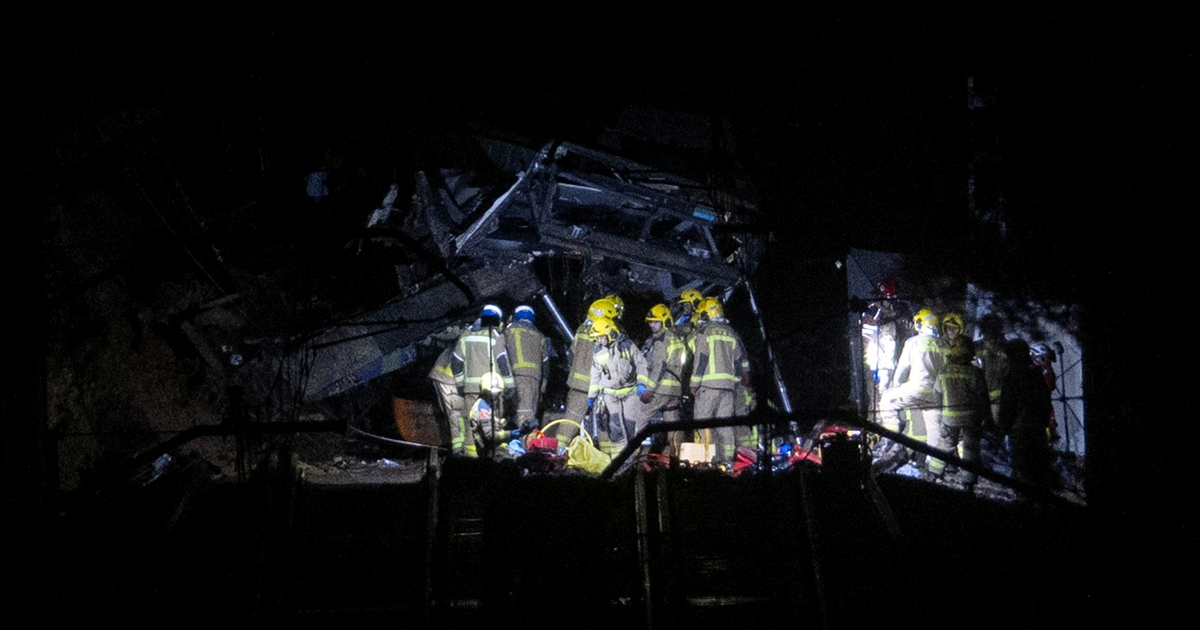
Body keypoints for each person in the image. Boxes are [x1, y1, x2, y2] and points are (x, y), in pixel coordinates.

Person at [877, 308, 945, 470]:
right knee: (934, 430)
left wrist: (895, 386)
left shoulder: (913, 342)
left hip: (915, 389)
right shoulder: (944, 344)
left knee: (887, 401)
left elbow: (901, 371)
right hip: (936, 394)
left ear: (919, 323)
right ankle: (934, 467)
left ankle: (891, 438)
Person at [689, 297, 751, 466]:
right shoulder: (730, 332)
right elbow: (739, 360)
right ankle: (727, 462)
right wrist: (737, 379)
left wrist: (694, 384)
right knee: (725, 426)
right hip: (729, 388)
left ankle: (707, 462)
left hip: (708, 387)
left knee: (703, 424)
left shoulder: (705, 331)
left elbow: (701, 359)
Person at [451, 304, 516, 459]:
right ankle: (492, 459)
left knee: (470, 426)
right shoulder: (495, 337)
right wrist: (510, 385)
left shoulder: (466, 336)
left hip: (471, 389)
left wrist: (461, 385)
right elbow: (503, 363)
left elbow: (456, 362)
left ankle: (471, 461)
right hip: (493, 389)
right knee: (494, 424)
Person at [555, 298, 619, 449]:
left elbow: (571, 354)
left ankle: (555, 453)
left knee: (570, 421)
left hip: (577, 386)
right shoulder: (605, 332)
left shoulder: (581, 329)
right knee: (603, 423)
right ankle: (608, 458)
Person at [931, 336, 991, 489]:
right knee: (970, 448)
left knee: (945, 444)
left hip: (949, 418)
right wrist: (985, 416)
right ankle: (967, 482)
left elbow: (937, 393)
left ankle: (933, 474)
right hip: (971, 418)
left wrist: (941, 411)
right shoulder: (975, 372)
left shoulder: (944, 371)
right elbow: (983, 397)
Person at [998, 339, 1056, 493]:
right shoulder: (1036, 375)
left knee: (1023, 469)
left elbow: (1007, 408)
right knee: (1038, 469)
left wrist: (1002, 429)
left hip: (1021, 432)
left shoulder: (1012, 377)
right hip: (1037, 430)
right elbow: (1045, 402)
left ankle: (1025, 499)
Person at [587, 316, 649, 457]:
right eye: (598, 338)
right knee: (615, 427)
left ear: (612, 334)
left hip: (630, 393)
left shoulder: (627, 345)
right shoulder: (598, 352)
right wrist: (591, 397)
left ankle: (633, 458)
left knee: (630, 425)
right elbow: (595, 375)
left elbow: (641, 364)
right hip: (610, 395)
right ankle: (618, 461)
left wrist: (642, 384)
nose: (600, 341)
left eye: (602, 337)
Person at [639, 303, 689, 456]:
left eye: (656, 322)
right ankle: (674, 456)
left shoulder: (661, 340)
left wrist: (649, 389)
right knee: (672, 424)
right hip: (675, 389)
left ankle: (631, 455)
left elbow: (658, 367)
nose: (652, 325)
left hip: (661, 389)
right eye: (651, 322)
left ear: (665, 321)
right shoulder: (676, 339)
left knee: (640, 417)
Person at [859, 279, 910, 423]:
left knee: (894, 398)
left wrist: (900, 321)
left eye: (892, 298)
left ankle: (895, 429)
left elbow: (908, 334)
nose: (889, 303)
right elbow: (867, 340)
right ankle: (874, 426)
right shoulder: (872, 311)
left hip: (895, 363)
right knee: (876, 398)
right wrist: (873, 367)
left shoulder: (902, 310)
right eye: (886, 299)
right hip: (876, 364)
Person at [505, 305, 550, 435]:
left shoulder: (510, 330)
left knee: (522, 418)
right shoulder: (540, 336)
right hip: (535, 380)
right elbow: (546, 365)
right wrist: (543, 387)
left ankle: (526, 450)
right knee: (529, 415)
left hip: (515, 376)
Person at [428, 344, 468, 455]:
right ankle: (459, 450)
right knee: (457, 414)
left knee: (455, 414)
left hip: (444, 376)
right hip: (448, 379)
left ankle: (459, 447)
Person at [1029, 341, 1061, 444]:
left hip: (1045, 409)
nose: (1045, 361)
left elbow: (1051, 384)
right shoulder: (1030, 372)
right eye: (1043, 358)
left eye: (1046, 359)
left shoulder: (1045, 370)